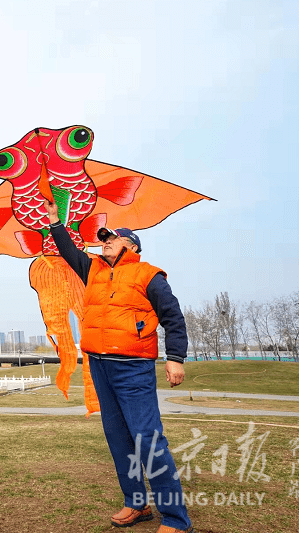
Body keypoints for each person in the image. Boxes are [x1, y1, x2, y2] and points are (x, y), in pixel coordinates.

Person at [45, 199, 194, 533]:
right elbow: (68, 251)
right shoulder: (93, 270)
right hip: (100, 365)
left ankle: (175, 519)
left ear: (132, 245)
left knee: (147, 440)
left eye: (112, 236)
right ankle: (136, 503)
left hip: (133, 367)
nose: (105, 240)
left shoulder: (149, 275)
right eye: (104, 237)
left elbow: (173, 318)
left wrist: (175, 358)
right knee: (118, 438)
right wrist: (56, 220)